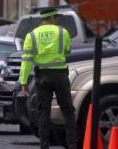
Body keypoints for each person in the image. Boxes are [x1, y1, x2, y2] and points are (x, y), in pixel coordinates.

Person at [20, 8, 77, 149]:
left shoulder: (31, 35)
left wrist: (23, 81)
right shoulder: (62, 32)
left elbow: (26, 60)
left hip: (42, 77)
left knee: (43, 111)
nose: (57, 19)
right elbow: (68, 50)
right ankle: (72, 145)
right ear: (51, 17)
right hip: (60, 76)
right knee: (68, 110)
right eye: (56, 17)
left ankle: (44, 145)